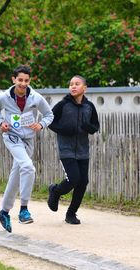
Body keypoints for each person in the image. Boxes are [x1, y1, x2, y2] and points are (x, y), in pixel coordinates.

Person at [0, 65, 54, 233]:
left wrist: (40, 124)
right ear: (13, 79)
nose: (23, 83)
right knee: (28, 167)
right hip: (12, 136)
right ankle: (24, 209)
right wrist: (1, 122)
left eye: (26, 80)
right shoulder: (4, 97)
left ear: (29, 80)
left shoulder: (36, 98)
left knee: (17, 174)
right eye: (20, 80)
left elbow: (50, 115)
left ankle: (4, 212)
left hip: (28, 139)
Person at [47, 75, 100, 225]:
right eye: (71, 84)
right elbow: (49, 120)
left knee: (83, 182)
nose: (73, 86)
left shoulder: (89, 106)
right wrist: (62, 129)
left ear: (84, 88)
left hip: (83, 151)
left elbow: (95, 126)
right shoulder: (63, 105)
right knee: (74, 179)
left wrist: (88, 127)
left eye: (77, 84)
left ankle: (71, 214)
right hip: (66, 150)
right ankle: (55, 190)